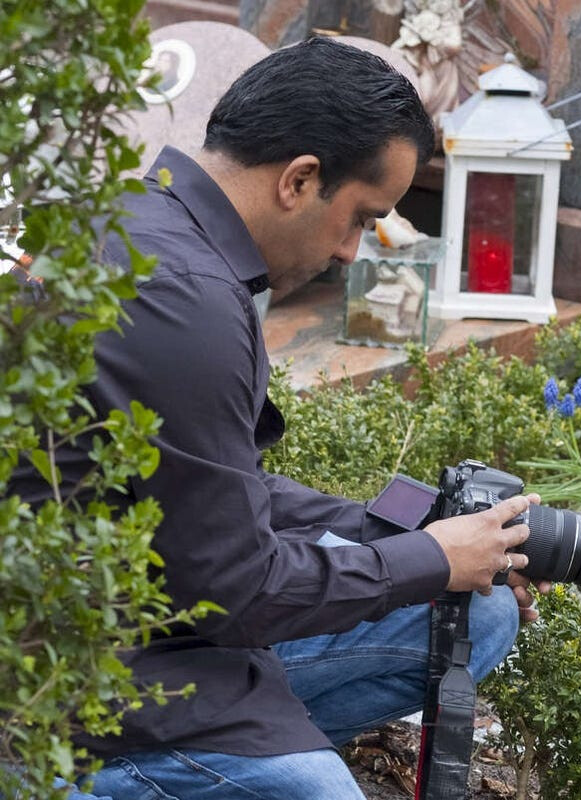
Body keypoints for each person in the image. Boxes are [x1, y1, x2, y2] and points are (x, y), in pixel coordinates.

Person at [13, 38, 546, 799]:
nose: (351, 253)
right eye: (361, 218)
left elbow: (220, 491)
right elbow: (237, 588)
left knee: (476, 614)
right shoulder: (185, 301)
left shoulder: (143, 225)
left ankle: (244, 757)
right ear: (300, 179)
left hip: (148, 616)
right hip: (84, 688)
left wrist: (408, 531)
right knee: (318, 791)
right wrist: (426, 559)